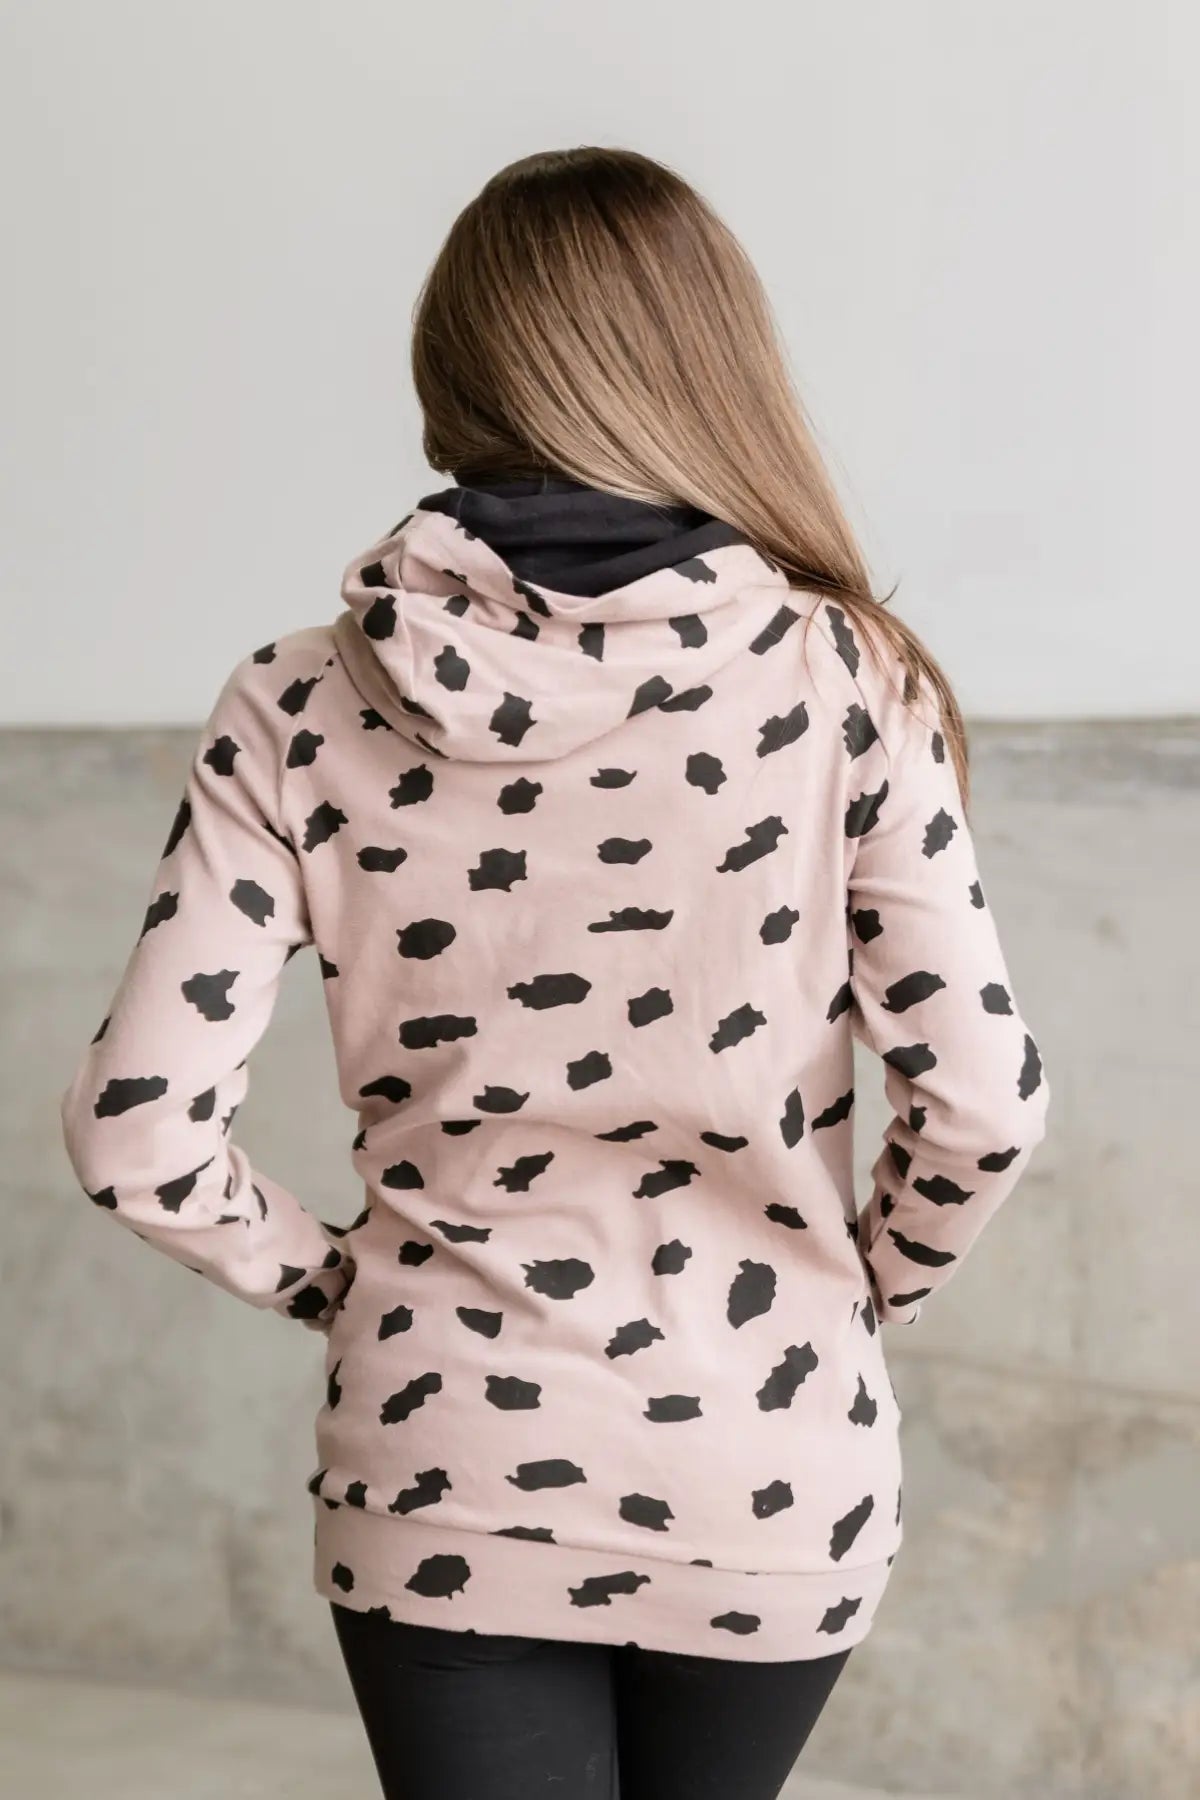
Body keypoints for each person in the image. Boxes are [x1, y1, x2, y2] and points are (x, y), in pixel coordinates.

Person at [59, 145, 1050, 1800]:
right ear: (712, 366)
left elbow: (135, 1134)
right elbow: (986, 1108)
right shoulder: (847, 680)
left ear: (450, 372)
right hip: (765, 1461)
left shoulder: (299, 702)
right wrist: (857, 1290)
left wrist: (345, 1287)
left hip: (442, 1447)